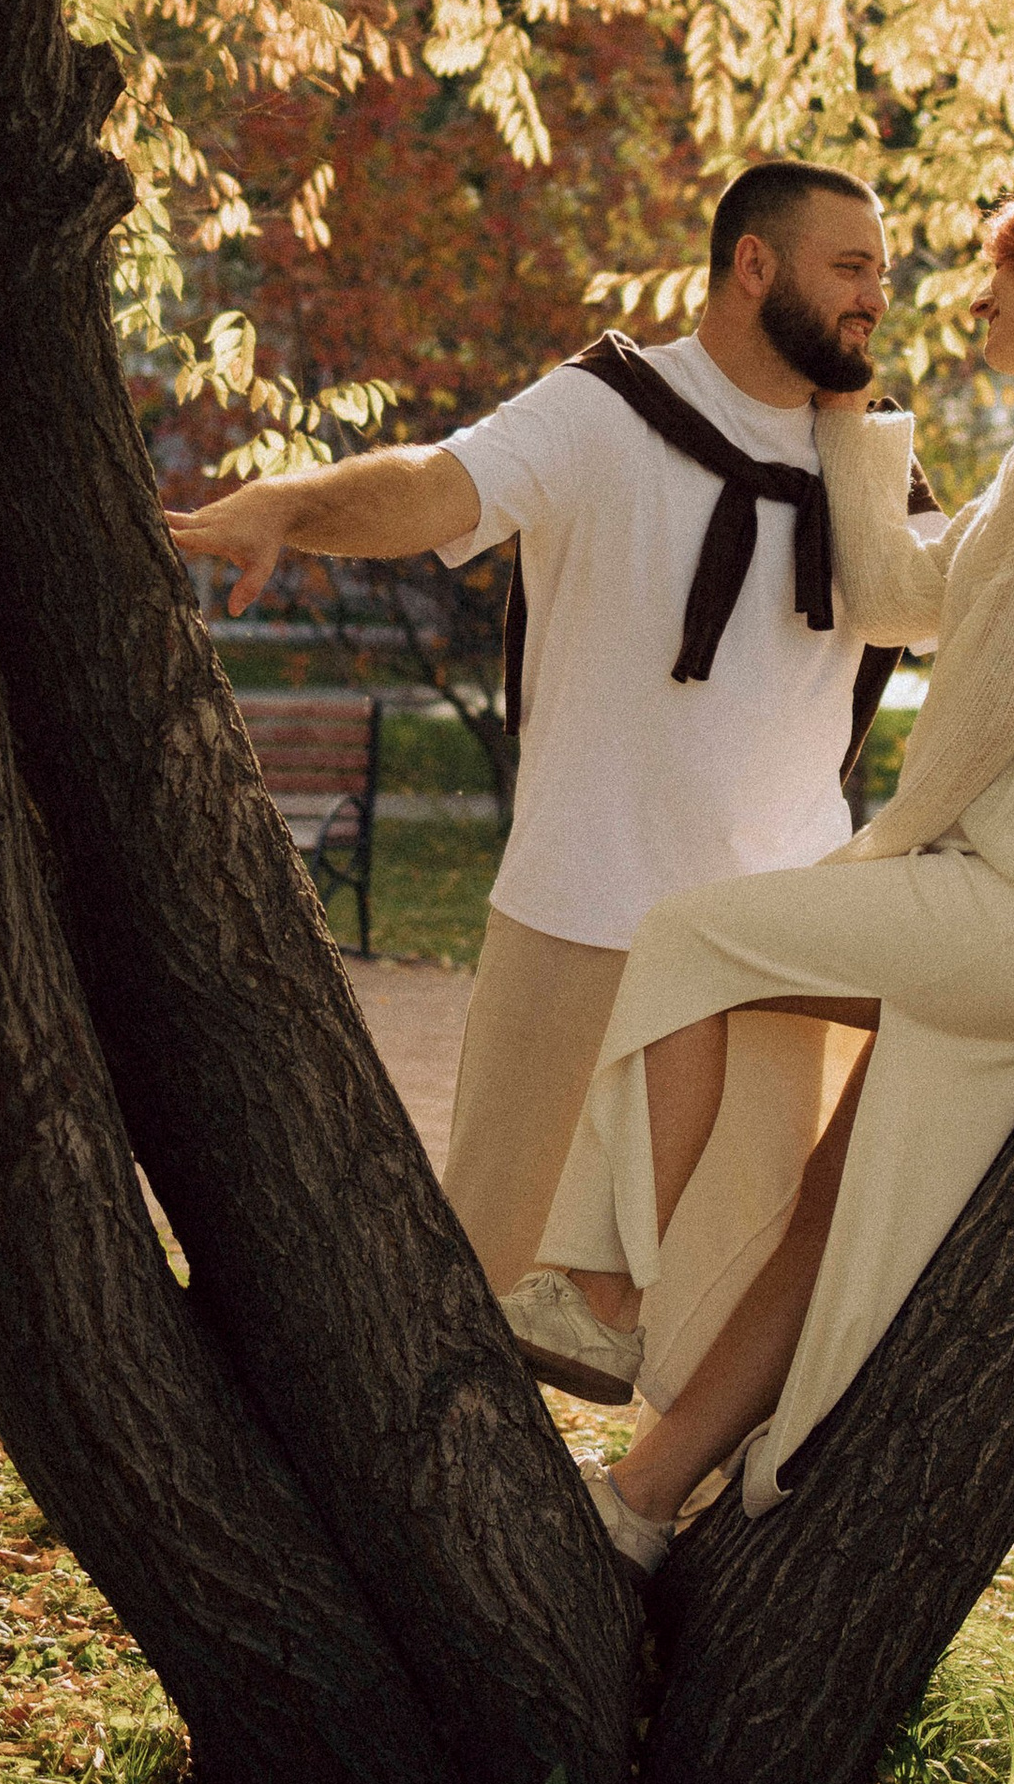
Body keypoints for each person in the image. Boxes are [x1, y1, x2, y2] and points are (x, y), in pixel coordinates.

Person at [538, 177, 1014, 1574]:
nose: (981, 296)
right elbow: (895, 601)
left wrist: (889, 846)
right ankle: (641, 1505)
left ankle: (604, 1296)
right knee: (827, 1221)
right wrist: (844, 418)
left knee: (690, 939)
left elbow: (991, 688)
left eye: (1006, 271)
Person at [163, 162, 910, 1326]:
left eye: (882, 273)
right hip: (582, 912)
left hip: (778, 946)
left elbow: (989, 601)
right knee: (481, 1287)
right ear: (753, 264)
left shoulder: (873, 467)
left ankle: (666, 1511)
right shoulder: (606, 407)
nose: (875, 297)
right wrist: (290, 504)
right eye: (851, 267)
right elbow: (433, 490)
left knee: (739, 1305)